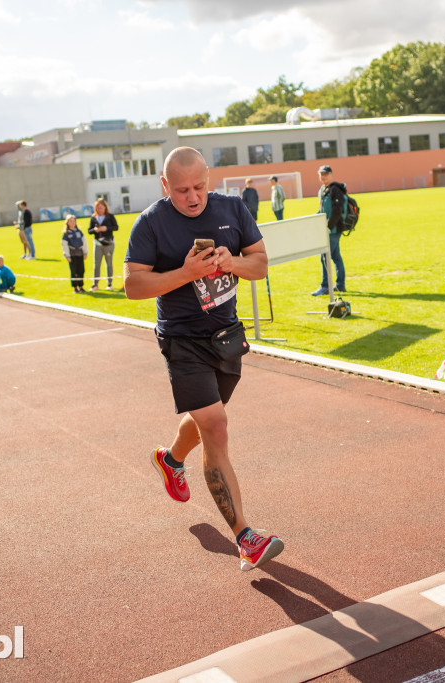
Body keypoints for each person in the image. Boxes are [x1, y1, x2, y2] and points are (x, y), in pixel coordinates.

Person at [123, 146, 282, 572]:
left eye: (199, 187)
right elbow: (133, 286)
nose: (192, 197)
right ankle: (246, 538)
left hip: (226, 337)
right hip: (182, 340)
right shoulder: (151, 223)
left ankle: (170, 459)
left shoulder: (233, 208)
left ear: (209, 179)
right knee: (216, 425)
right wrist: (186, 274)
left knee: (207, 416)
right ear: (164, 186)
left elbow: (262, 264)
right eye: (181, 190)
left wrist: (233, 262)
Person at [313, 164, 347, 296]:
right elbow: (322, 209)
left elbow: (337, 211)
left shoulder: (335, 189)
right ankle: (340, 285)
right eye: (321, 174)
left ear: (331, 175)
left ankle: (325, 286)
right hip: (327, 229)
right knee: (336, 256)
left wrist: (328, 227)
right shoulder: (322, 190)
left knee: (324, 257)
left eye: (326, 174)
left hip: (333, 230)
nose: (323, 176)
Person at [87, 197, 119, 290]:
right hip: (98, 244)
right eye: (98, 208)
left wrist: (107, 228)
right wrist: (95, 230)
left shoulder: (110, 216)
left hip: (108, 243)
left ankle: (109, 284)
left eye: (101, 207)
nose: (99, 209)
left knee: (109, 264)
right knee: (97, 264)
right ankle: (95, 284)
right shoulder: (93, 217)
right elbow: (89, 230)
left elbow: (116, 227)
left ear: (105, 207)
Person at [62, 214, 88, 292]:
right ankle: (75, 287)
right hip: (72, 255)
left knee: (81, 270)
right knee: (74, 271)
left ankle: (81, 286)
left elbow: (84, 242)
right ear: (67, 223)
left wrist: (85, 252)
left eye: (74, 221)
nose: (72, 223)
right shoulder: (66, 234)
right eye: (71, 221)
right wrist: (67, 255)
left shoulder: (79, 232)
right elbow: (64, 245)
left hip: (80, 253)